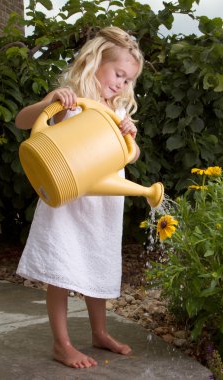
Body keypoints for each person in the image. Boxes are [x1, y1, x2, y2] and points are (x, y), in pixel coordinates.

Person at [15, 26, 144, 369]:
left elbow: (131, 156)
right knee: (61, 267)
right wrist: (49, 102)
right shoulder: (71, 99)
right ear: (96, 61)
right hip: (69, 198)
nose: (122, 84)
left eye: (129, 80)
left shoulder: (115, 112)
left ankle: (99, 332)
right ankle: (62, 343)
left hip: (102, 205)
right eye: (119, 74)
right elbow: (24, 120)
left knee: (96, 263)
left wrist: (129, 135)